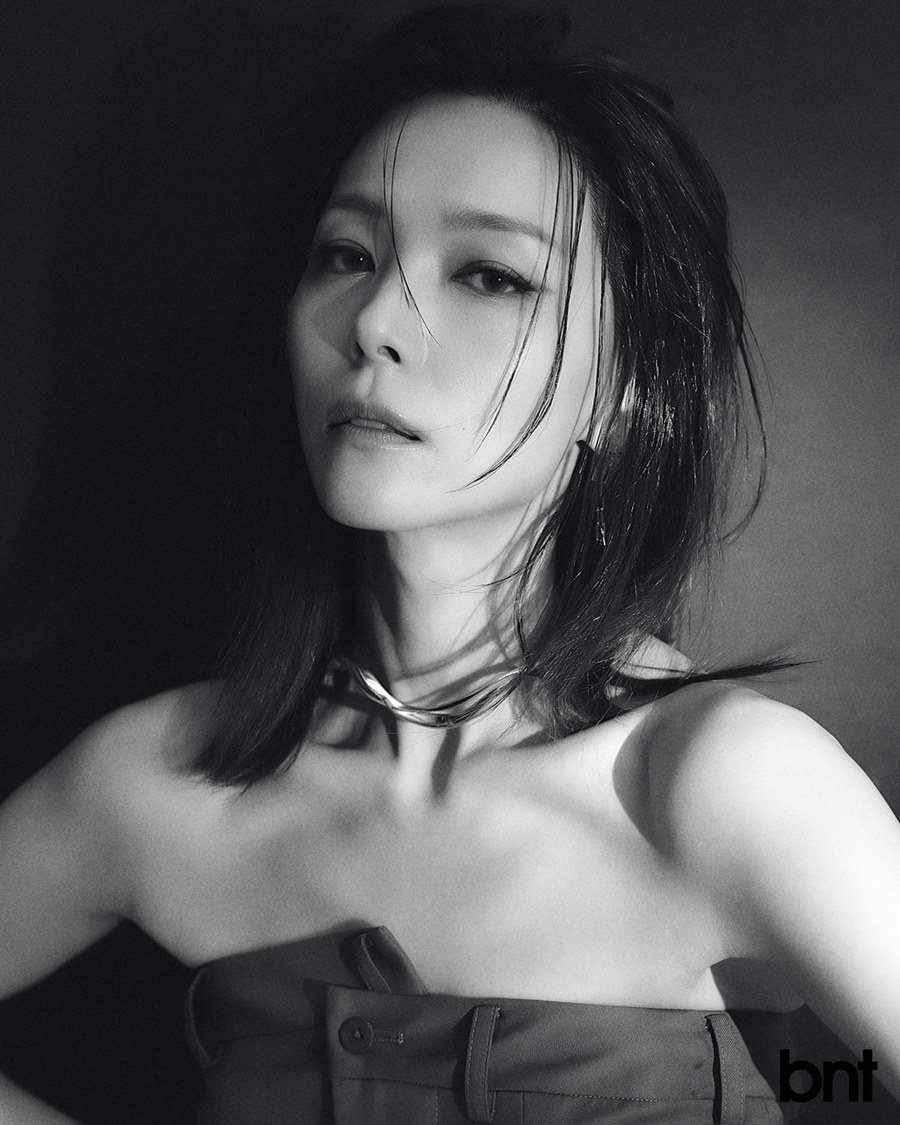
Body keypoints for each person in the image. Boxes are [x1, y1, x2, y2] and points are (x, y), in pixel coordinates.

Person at [2, 4, 899, 1122]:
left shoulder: (720, 789)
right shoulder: (162, 785)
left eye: (489, 275)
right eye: (347, 254)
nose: (377, 318)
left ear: (627, 388)